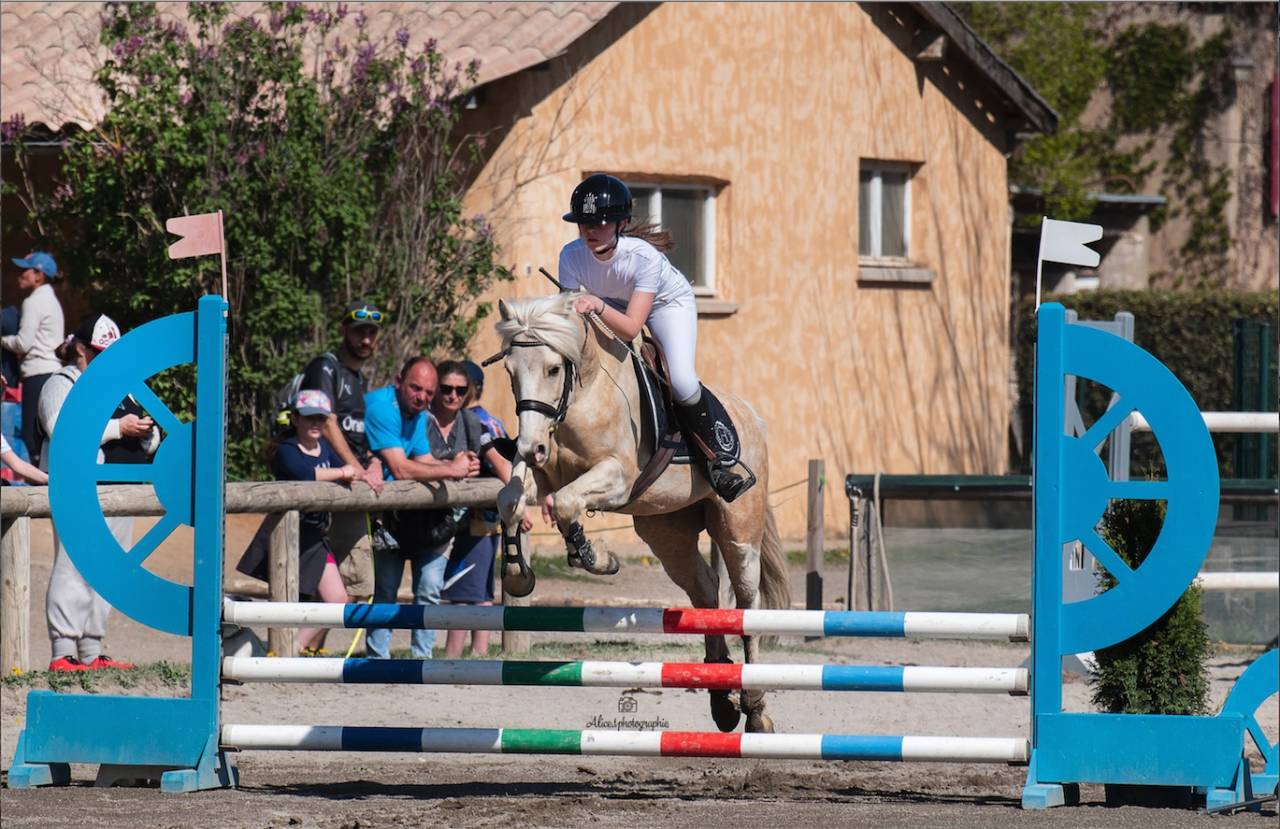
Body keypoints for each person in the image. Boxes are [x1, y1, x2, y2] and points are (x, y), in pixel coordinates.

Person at [558, 174, 752, 502]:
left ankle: (718, 460)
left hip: (665, 305)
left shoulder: (642, 257)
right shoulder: (570, 256)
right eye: (583, 223)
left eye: (599, 223)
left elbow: (633, 327)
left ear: (620, 224)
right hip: (610, 304)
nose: (589, 231)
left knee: (681, 379)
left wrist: (596, 303)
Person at [39, 313, 153, 671]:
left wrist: (146, 432)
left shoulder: (124, 387)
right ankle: (63, 653)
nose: (106, 361)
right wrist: (120, 427)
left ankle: (91, 651)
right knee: (73, 567)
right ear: (80, 349)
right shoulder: (61, 382)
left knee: (108, 570)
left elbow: (153, 437)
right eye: (99, 353)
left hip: (121, 491)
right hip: (79, 489)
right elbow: (62, 430)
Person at [363, 357, 480, 659]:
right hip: (385, 519)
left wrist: (457, 464)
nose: (423, 398)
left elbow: (424, 461)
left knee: (428, 591)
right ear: (398, 381)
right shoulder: (382, 408)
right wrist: (452, 471)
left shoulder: (417, 415)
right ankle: (377, 659)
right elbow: (402, 469)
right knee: (385, 591)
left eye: (428, 393)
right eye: (417, 389)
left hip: (425, 524)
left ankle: (422, 659)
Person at [237, 389, 359, 654]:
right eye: (308, 417)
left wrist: (359, 470)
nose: (315, 423)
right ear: (295, 419)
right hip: (288, 533)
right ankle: (285, 649)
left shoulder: (326, 448)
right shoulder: (287, 450)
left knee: (338, 599)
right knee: (288, 596)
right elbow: (304, 473)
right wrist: (342, 472)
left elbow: (349, 471)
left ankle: (295, 646)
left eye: (320, 418)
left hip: (316, 534)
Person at [432, 360, 527, 657]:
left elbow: (498, 464)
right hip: (489, 517)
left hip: (476, 518)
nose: (453, 395)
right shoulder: (492, 419)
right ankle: (481, 651)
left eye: (459, 389)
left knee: (463, 591)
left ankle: (454, 655)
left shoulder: (474, 421)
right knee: (480, 590)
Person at [297, 300, 387, 601]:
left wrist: (373, 463)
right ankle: (299, 647)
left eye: (371, 333)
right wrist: (358, 470)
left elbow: (360, 435)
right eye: (359, 332)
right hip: (328, 486)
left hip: (351, 486)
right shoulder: (325, 367)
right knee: (330, 582)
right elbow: (325, 421)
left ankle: (315, 649)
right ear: (344, 331)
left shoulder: (358, 378)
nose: (366, 340)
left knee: (347, 583)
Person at [2, 252, 65, 468]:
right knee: (46, 433)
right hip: (53, 372)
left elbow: (23, 343)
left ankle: (44, 487)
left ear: (39, 275)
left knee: (32, 437)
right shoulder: (53, 300)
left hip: (37, 373)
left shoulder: (33, 301)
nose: (20, 275)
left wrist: (3, 341)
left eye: (25, 270)